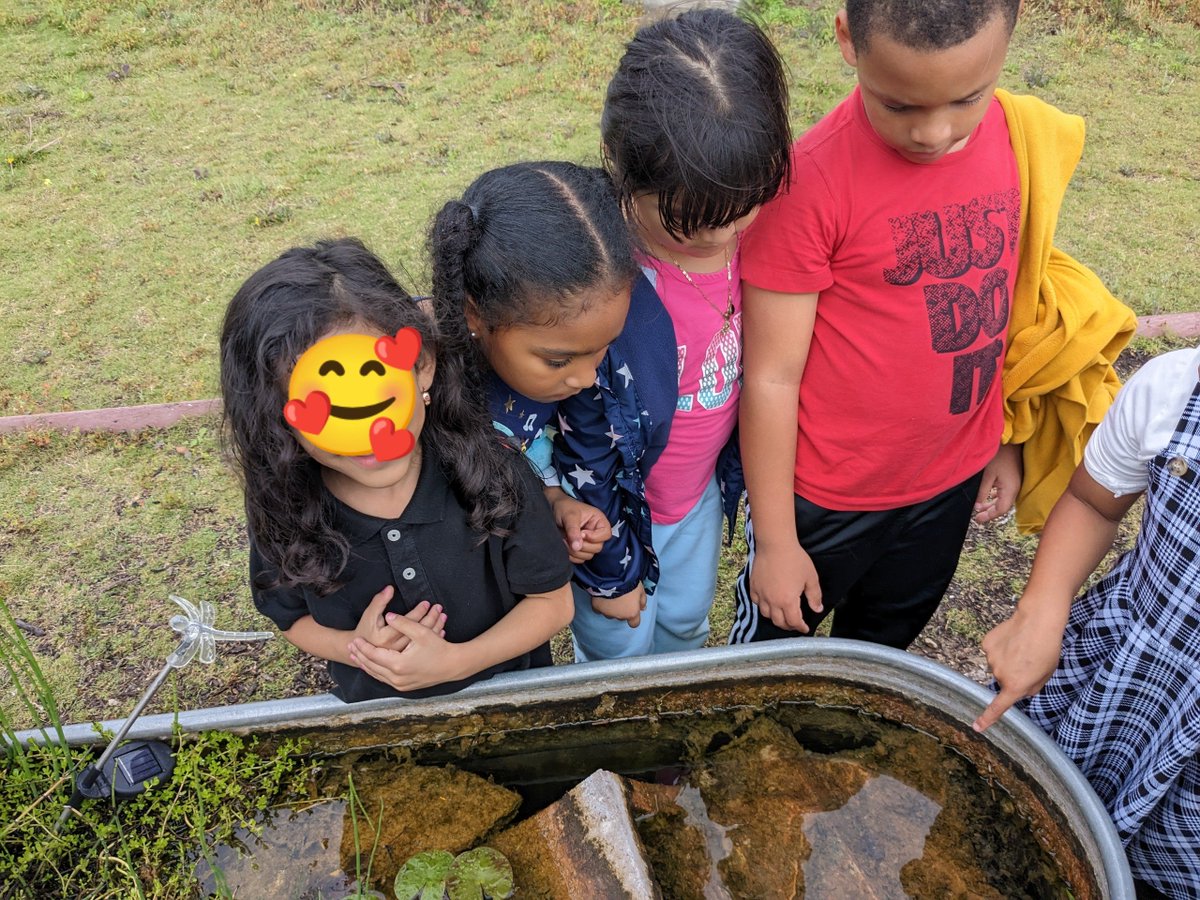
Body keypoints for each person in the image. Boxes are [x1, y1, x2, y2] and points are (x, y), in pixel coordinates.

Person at [729, 0, 1134, 648]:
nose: (935, 133)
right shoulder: (806, 185)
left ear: (1008, 40)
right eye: (900, 105)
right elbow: (771, 376)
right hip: (826, 496)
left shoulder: (1020, 137)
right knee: (773, 656)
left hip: (951, 482)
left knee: (884, 650)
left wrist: (1004, 437)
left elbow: (1007, 301)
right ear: (846, 41)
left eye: (966, 99)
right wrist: (776, 543)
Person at [220, 238, 574, 702]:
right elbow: (291, 618)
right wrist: (357, 648)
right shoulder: (283, 507)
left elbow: (552, 602)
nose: (370, 439)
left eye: (379, 398)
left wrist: (459, 662)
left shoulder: (493, 471)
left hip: (513, 708)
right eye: (329, 413)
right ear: (272, 413)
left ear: (422, 366)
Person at [558, 6, 791, 661]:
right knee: (616, 645)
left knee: (687, 626)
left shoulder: (766, 242)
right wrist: (607, 567)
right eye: (689, 221)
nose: (721, 235)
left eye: (740, 209)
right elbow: (576, 420)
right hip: (609, 512)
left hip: (697, 501)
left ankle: (662, 760)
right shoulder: (598, 272)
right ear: (622, 163)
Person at [975, 344, 1200, 900]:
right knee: (1015, 824)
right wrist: (1041, 610)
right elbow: (1095, 501)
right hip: (1119, 664)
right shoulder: (1174, 387)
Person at [428, 161, 639, 572]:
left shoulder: (534, 374)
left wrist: (555, 502)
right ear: (475, 315)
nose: (586, 377)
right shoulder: (420, 391)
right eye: (558, 360)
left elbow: (528, 452)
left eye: (603, 349)